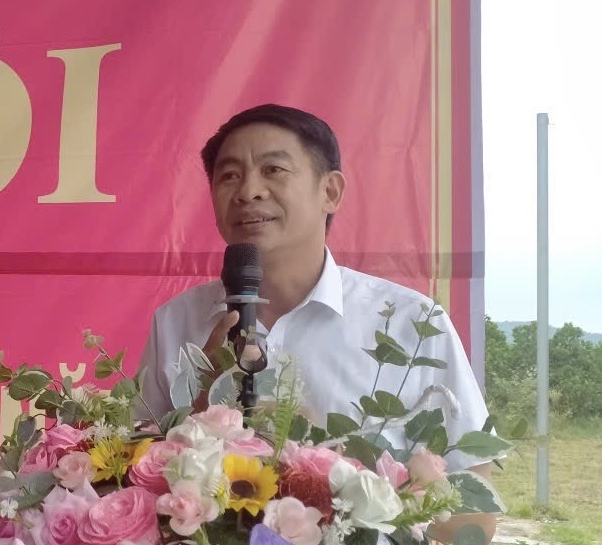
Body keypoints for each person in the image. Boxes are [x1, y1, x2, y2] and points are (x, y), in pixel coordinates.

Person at [136, 104, 496, 543]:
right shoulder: (176, 323)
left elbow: (476, 521)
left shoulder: (413, 325)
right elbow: (130, 480)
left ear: (331, 191)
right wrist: (197, 418)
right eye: (229, 175)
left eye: (273, 170)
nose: (249, 191)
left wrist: (343, 480)